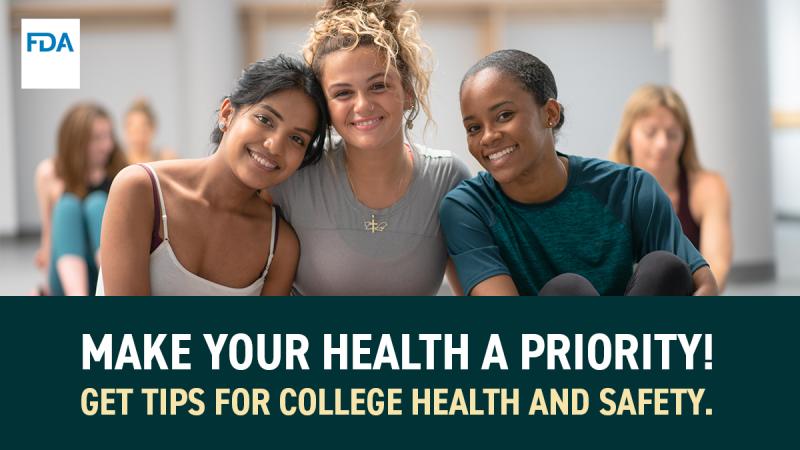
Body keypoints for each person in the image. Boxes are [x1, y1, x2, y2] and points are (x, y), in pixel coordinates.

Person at [441, 49, 718, 296]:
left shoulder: (632, 189)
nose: (487, 137)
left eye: (504, 116)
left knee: (664, 267)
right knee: (567, 291)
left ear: (550, 113)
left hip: (635, 346)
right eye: (474, 128)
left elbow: (704, 285)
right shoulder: (467, 209)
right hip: (542, 348)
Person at [267, 0, 471, 295]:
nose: (363, 105)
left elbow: (474, 292)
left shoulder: (447, 179)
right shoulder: (294, 178)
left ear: (408, 93)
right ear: (324, 107)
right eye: (343, 93)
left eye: (378, 86)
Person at [97, 56, 328, 295]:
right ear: (227, 113)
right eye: (264, 119)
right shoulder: (140, 190)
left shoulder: (280, 247)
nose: (274, 145)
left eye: (297, 139)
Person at [610, 85, 732, 290]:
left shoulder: (707, 187)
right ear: (628, 136)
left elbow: (717, 266)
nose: (662, 144)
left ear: (685, 139)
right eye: (650, 133)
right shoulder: (607, 187)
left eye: (672, 134)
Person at [34, 103, 127, 295]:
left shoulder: (122, 173)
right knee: (67, 206)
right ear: (76, 141)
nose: (107, 145)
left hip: (107, 279)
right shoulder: (49, 174)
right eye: (97, 138)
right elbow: (48, 238)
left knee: (97, 204)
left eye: (109, 136)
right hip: (66, 281)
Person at [123, 98, 178, 164]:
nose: (138, 137)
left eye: (143, 132)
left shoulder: (167, 159)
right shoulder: (118, 162)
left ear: (153, 129)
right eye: (133, 132)